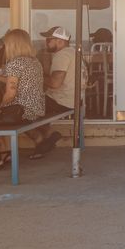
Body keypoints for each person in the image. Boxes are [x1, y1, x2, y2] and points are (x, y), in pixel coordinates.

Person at [0, 29, 45, 171]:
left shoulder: (14, 63)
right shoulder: (34, 61)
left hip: (21, 111)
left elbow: (10, 93)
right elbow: (15, 81)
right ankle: (5, 153)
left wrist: (0, 108)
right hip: (36, 108)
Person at [33, 26, 87, 158]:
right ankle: (45, 142)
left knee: (22, 107)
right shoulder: (74, 53)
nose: (46, 42)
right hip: (74, 100)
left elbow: (55, 83)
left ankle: (44, 138)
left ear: (60, 41)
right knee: (34, 104)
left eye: (49, 40)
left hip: (61, 101)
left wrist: (35, 76)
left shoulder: (62, 55)